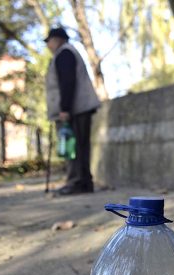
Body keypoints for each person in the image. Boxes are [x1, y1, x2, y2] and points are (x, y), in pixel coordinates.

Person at [44, 27, 100, 195]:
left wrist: (64, 109)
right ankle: (84, 183)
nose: (48, 45)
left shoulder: (64, 53)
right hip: (80, 108)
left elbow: (67, 82)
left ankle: (75, 182)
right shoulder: (69, 52)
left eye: (50, 41)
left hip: (74, 109)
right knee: (81, 146)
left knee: (72, 146)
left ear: (58, 39)